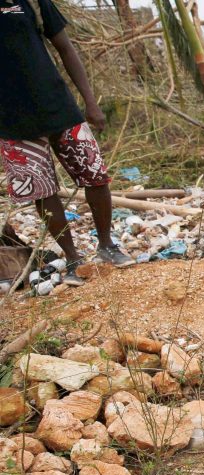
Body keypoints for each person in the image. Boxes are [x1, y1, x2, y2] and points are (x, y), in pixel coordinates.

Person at [0, 0, 133, 286]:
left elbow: (65, 48)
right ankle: (72, 258)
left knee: (95, 175)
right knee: (41, 191)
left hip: (57, 104)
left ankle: (107, 246)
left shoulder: (33, 1)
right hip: (11, 119)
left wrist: (89, 101)